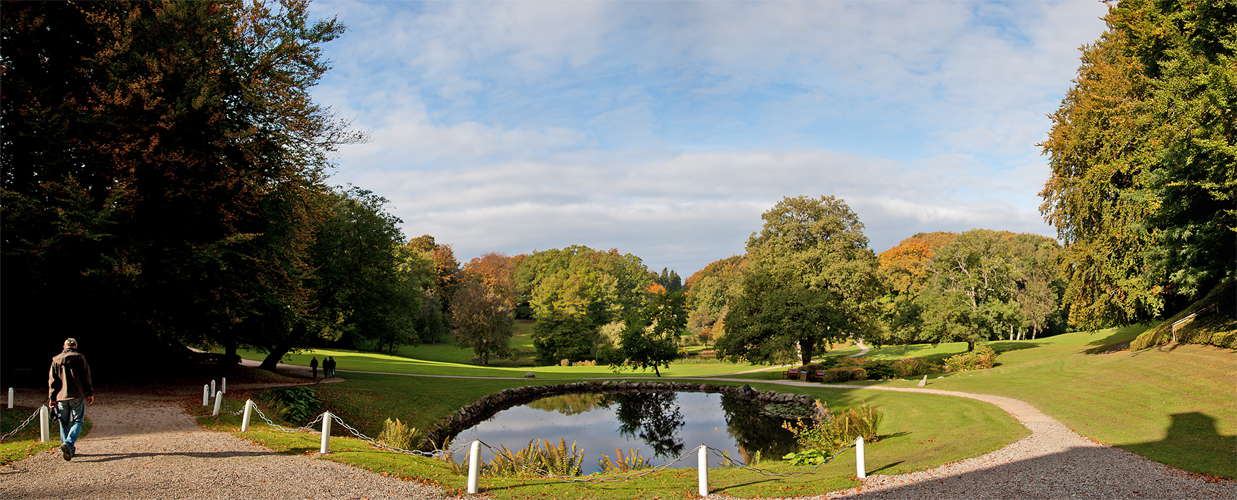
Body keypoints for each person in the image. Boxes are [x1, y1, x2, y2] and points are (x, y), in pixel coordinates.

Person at [48, 338, 93, 461]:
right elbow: (86, 376)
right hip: (77, 394)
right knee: (78, 421)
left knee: (64, 423)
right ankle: (68, 443)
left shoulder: (55, 360)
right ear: (76, 346)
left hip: (61, 396)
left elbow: (53, 381)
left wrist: (52, 398)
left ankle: (69, 450)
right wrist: (89, 393)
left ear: (64, 346)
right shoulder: (80, 358)